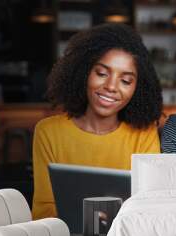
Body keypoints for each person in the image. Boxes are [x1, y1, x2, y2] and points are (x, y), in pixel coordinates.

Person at [32, 24, 163, 219]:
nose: (111, 86)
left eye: (125, 81)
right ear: (84, 72)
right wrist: (100, 215)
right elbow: (43, 211)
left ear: (138, 88)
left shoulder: (144, 134)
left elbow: (149, 206)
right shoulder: (49, 132)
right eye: (101, 73)